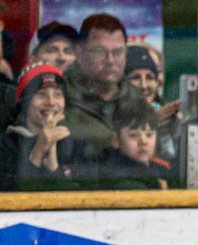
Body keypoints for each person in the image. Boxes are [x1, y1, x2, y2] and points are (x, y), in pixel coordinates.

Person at [0, 62, 94, 191]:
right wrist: (38, 152)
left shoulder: (79, 148)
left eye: (57, 94)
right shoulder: (4, 146)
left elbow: (82, 202)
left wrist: (53, 167)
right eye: (41, 94)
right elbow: (9, 200)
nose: (50, 103)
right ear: (24, 102)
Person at [64, 13, 142, 153]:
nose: (110, 60)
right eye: (100, 51)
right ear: (80, 54)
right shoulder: (57, 96)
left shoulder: (137, 100)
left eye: (118, 52)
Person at [94, 98, 174, 189]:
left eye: (149, 134)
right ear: (116, 140)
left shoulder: (162, 170)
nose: (143, 141)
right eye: (133, 135)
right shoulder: (111, 174)